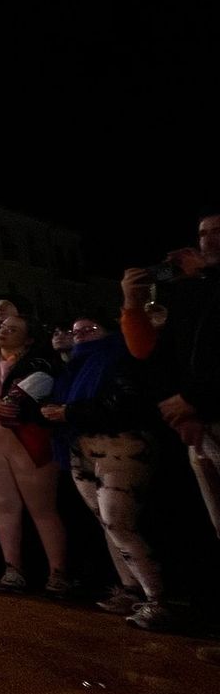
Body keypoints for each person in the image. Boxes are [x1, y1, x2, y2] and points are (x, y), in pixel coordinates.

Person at [41, 317, 170, 629]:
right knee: (105, 522)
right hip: (82, 446)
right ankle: (130, 589)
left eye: (91, 329)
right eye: (76, 331)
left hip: (121, 444)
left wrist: (70, 412)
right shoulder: (74, 367)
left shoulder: (121, 356)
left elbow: (129, 401)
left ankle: (159, 599)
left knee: (119, 521)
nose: (82, 335)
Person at [120, 212, 220, 538]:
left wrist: (194, 400)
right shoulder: (193, 290)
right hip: (200, 424)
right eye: (203, 233)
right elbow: (156, 356)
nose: (208, 240)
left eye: (218, 232)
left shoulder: (204, 286)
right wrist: (133, 304)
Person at [0, 313, 67, 593]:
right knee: (3, 505)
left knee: (42, 509)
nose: (3, 331)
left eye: (13, 329)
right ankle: (13, 567)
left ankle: (58, 571)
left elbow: (20, 398)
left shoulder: (39, 363)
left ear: (29, 338)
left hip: (26, 440)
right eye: (2, 327)